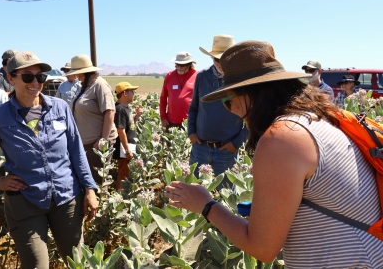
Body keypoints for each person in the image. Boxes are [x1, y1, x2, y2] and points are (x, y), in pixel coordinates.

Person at [165, 41, 383, 267]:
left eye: (228, 102)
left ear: (250, 95)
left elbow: (262, 249)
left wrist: (206, 204)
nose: (234, 113)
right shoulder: (316, 119)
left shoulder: (282, 138)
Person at [0, 51, 98, 269]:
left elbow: (76, 150)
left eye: (40, 77)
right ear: (11, 78)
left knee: (77, 263)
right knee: (36, 265)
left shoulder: (59, 108)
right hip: (25, 202)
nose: (35, 82)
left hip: (66, 198)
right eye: (27, 77)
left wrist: (89, 189)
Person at [188, 35, 247, 185]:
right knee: (194, 191)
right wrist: (191, 132)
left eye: (225, 59)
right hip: (200, 147)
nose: (221, 63)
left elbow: (252, 116)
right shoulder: (202, 77)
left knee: (227, 197)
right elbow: (194, 107)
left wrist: (237, 142)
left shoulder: (241, 81)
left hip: (227, 151)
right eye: (217, 59)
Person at [65, 54, 117, 185]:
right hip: (85, 143)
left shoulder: (100, 85)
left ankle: (100, 205)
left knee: (97, 183)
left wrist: (103, 139)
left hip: (97, 144)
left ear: (85, 72)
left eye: (78, 73)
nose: (76, 76)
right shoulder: (86, 85)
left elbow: (110, 111)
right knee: (87, 181)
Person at [113, 82, 143, 189]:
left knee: (127, 174)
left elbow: (130, 126)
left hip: (128, 147)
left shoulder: (126, 108)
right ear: (125, 93)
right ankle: (119, 199)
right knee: (123, 174)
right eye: (132, 92)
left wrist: (137, 116)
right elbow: (121, 131)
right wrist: (127, 150)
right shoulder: (120, 109)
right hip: (124, 149)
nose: (134, 94)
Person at [159, 52, 197, 130]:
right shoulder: (169, 76)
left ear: (189, 64)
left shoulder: (197, 76)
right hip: (170, 122)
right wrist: (163, 117)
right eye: (177, 65)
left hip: (190, 123)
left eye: (182, 65)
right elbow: (163, 98)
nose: (179, 67)